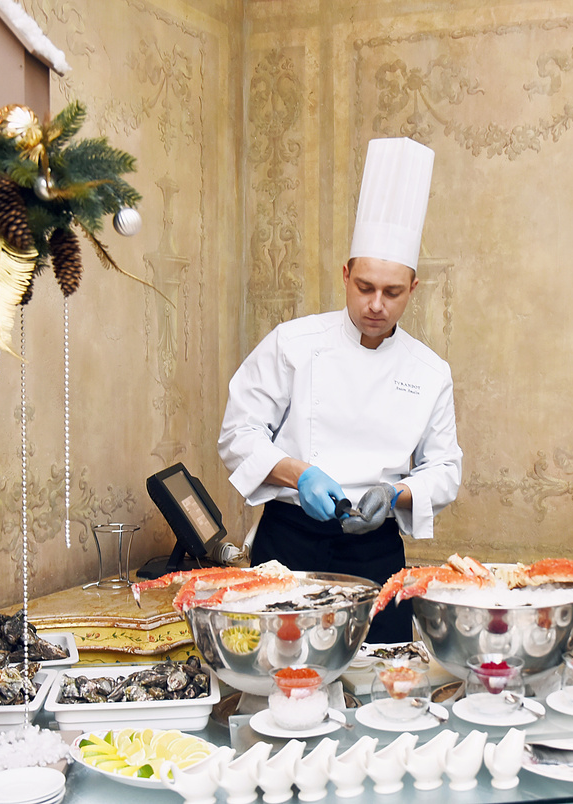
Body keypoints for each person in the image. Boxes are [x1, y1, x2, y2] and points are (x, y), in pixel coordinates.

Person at [218, 138, 462, 643]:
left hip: (376, 552)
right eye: (364, 286)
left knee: (379, 681)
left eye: (392, 292)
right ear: (345, 274)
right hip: (289, 545)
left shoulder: (430, 370)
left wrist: (396, 492)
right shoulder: (293, 342)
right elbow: (238, 434)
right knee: (285, 673)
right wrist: (298, 473)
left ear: (412, 289)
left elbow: (445, 468)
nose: (376, 304)